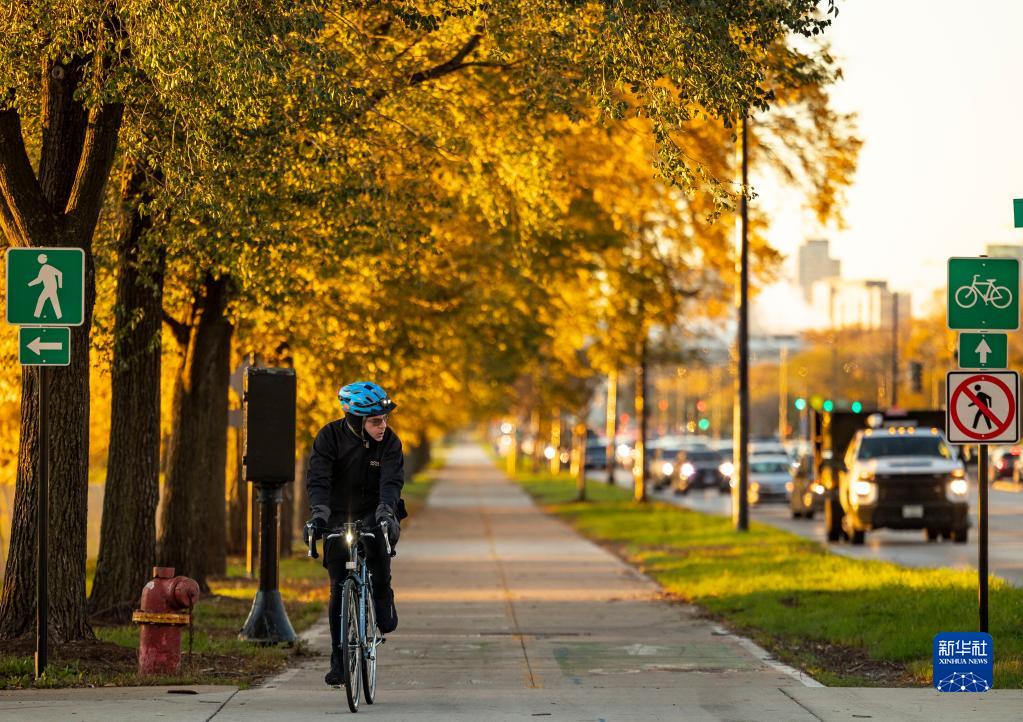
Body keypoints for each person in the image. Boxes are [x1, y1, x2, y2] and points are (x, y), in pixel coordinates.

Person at [305, 381, 406, 686]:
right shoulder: (329, 437)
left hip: (375, 510)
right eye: (376, 421)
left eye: (384, 419)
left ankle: (383, 594)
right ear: (356, 420)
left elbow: (391, 481)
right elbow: (318, 478)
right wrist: (318, 514)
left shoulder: (390, 443)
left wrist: (387, 511)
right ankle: (339, 659)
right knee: (338, 586)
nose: (383, 426)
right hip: (336, 513)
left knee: (378, 559)